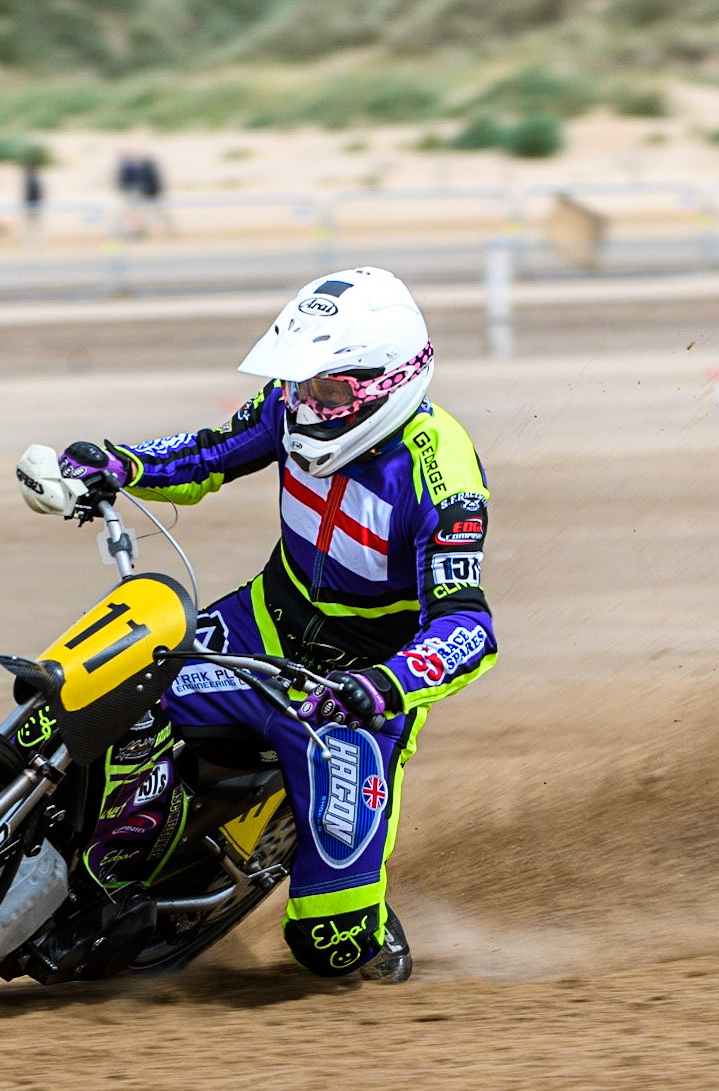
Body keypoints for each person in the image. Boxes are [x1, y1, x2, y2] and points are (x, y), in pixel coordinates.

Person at [24, 267, 496, 982]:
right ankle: (110, 845)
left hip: (350, 694)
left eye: (327, 391)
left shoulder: (442, 477)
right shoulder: (291, 405)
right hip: (262, 625)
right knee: (84, 696)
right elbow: (205, 455)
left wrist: (380, 687)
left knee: (329, 946)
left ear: (386, 384)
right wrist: (119, 464)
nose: (305, 406)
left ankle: (343, 907)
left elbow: (468, 630)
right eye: (301, 385)